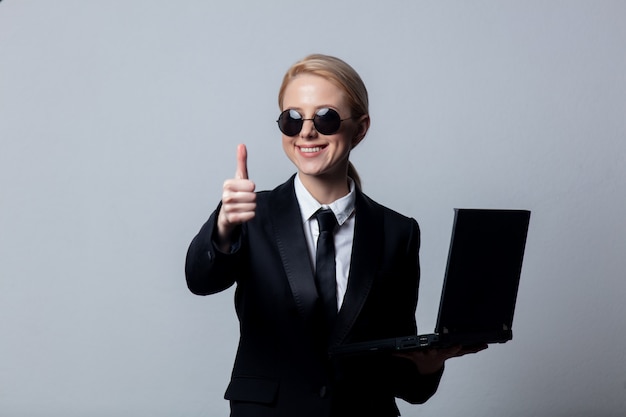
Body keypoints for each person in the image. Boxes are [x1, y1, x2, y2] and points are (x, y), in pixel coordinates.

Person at [185, 54, 483, 417]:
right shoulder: (248, 214)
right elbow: (200, 280)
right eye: (292, 119)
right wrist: (223, 226)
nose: (307, 132)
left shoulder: (397, 232)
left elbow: (405, 382)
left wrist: (428, 364)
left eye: (325, 118)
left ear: (360, 129)